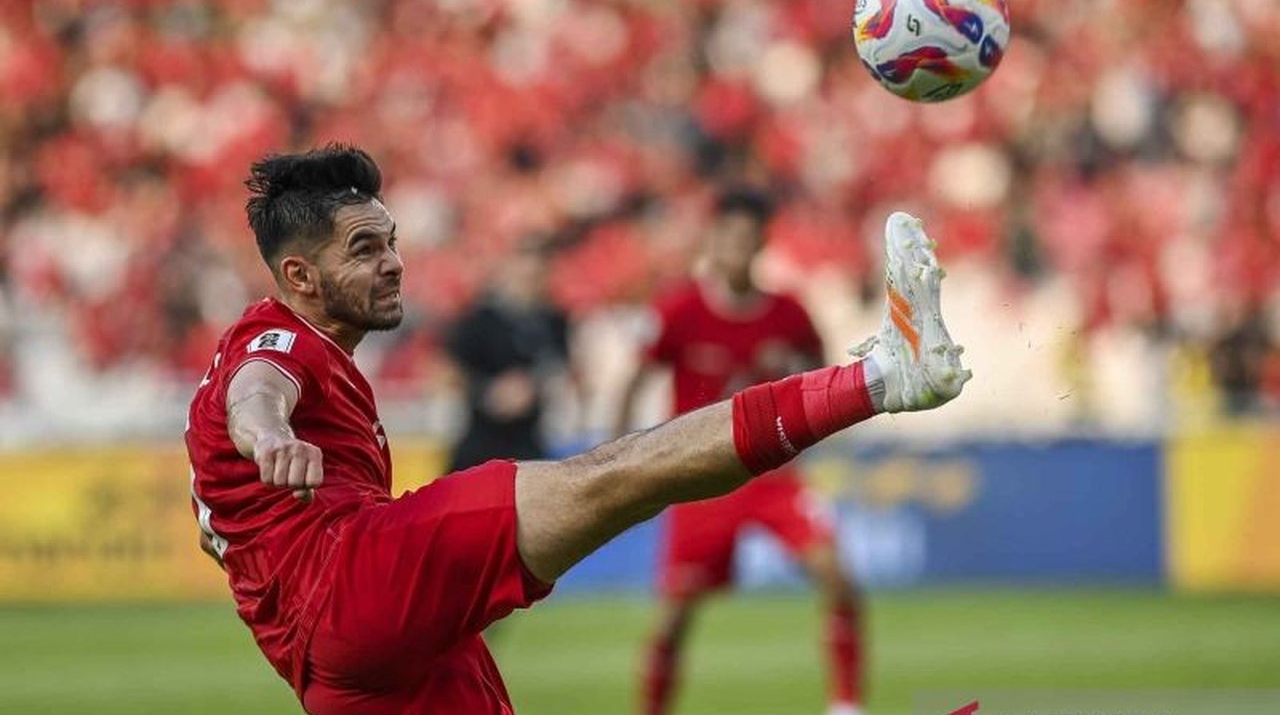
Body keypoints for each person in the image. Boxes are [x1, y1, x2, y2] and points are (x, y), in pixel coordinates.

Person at [184, 144, 970, 715]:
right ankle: (884, 377)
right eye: (364, 248)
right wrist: (268, 436)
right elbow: (257, 396)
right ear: (299, 278)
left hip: (342, 671)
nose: (393, 263)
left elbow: (217, 506)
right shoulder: (273, 343)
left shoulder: (285, 358)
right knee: (620, 472)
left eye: (392, 241)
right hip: (353, 584)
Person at [616, 189, 863, 715]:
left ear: (761, 245)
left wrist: (810, 435)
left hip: (772, 475)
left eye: (747, 239)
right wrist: (618, 460)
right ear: (713, 242)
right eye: (727, 238)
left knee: (837, 575)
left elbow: (821, 376)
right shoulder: (679, 309)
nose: (736, 249)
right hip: (700, 476)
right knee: (675, 616)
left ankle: (846, 706)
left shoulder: (789, 313)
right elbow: (634, 381)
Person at [444, 238, 574, 473]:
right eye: (525, 274)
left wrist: (534, 386)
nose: (530, 283)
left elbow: (563, 368)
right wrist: (487, 391)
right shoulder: (480, 320)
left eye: (536, 275)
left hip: (529, 443)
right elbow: (447, 371)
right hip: (480, 441)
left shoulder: (556, 321)